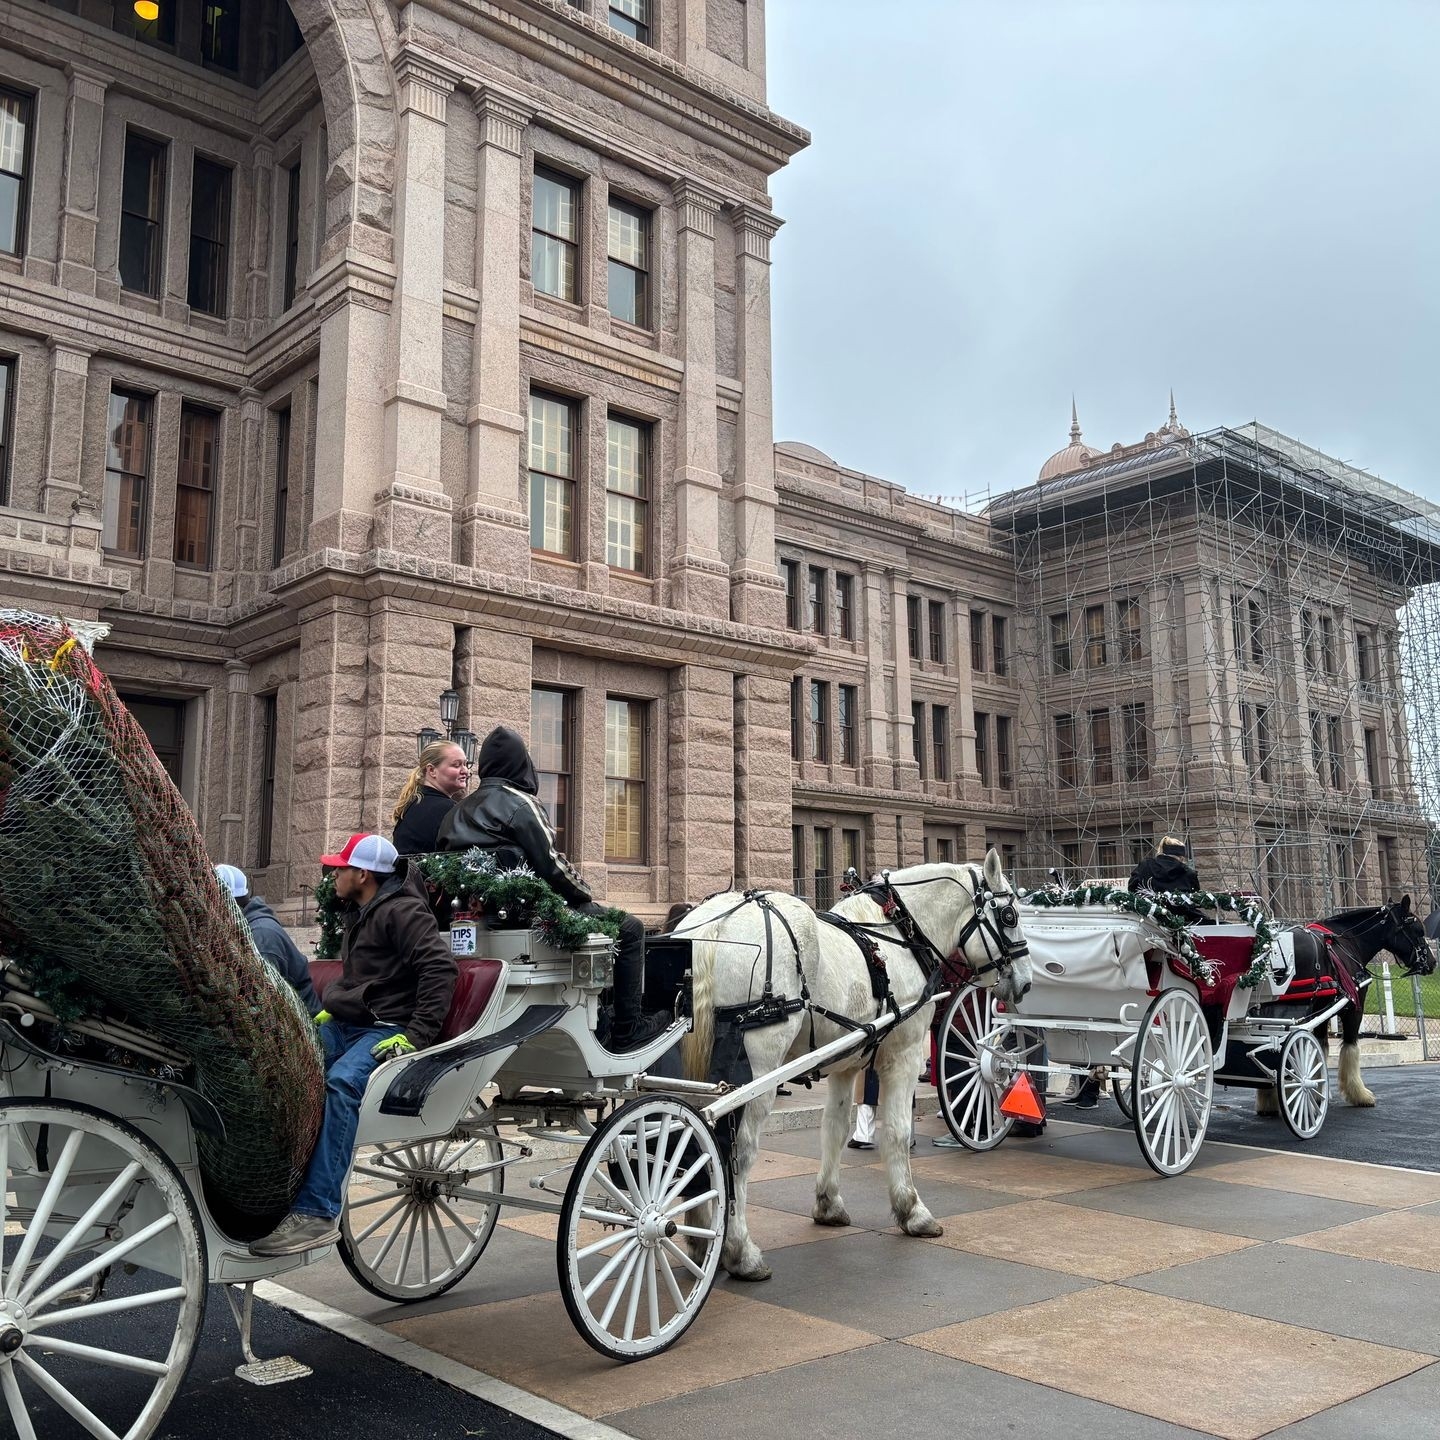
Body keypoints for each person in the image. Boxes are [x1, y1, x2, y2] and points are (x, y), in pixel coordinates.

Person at [249, 833, 458, 1257]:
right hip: (351, 1022)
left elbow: (440, 969)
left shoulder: (403, 911)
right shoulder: (362, 910)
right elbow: (365, 975)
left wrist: (414, 1036)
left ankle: (318, 1213)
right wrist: (337, 1007)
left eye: (340, 869)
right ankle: (272, 1187)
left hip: (385, 1029)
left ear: (363, 875)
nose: (334, 876)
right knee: (285, 1063)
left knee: (341, 1085)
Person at [437, 725, 665, 1052]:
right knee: (631, 929)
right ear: (520, 764)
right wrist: (583, 893)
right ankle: (629, 1028)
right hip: (528, 917)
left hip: (473, 920)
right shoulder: (521, 804)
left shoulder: (455, 812)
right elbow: (552, 866)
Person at [215, 863, 320, 1016]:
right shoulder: (247, 926)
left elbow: (264, 999)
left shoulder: (261, 937)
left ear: (227, 901)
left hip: (302, 1020)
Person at [392, 740, 471, 855]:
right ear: (432, 770)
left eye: (465, 764)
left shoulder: (412, 804)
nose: (465, 771)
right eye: (456, 765)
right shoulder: (448, 809)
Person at [1128, 835, 1200, 894]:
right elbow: (1195, 897)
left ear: (1161, 851)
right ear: (1181, 857)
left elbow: (1132, 888)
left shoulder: (1145, 866)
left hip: (1148, 906)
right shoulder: (1189, 873)